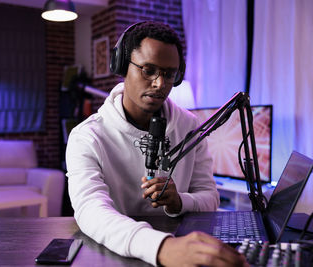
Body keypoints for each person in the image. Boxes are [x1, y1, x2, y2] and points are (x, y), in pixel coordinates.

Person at [66, 21, 247, 266]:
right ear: (121, 66)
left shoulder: (191, 127)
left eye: (169, 74)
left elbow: (210, 198)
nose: (160, 84)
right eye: (148, 70)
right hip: (118, 254)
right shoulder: (86, 136)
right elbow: (90, 211)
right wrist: (161, 247)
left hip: (183, 248)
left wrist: (180, 201)